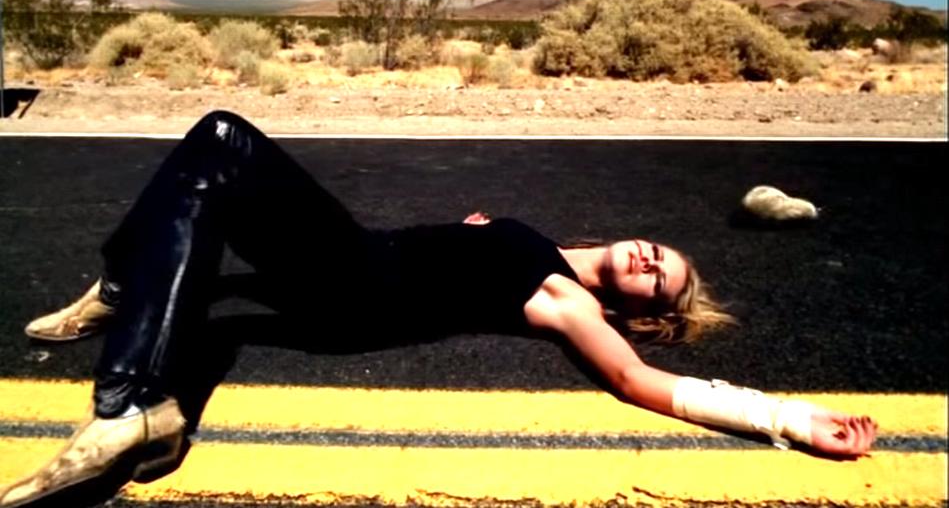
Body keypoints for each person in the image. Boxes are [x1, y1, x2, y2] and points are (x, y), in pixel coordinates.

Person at [0, 110, 877, 507]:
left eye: (659, 281)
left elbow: (642, 384)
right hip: (358, 271)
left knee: (223, 141)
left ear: (638, 309)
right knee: (203, 213)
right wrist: (470, 235)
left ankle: (127, 400)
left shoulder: (567, 300)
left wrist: (788, 418)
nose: (651, 261)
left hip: (352, 281)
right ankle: (143, 360)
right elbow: (467, 263)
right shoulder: (541, 251)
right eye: (660, 252)